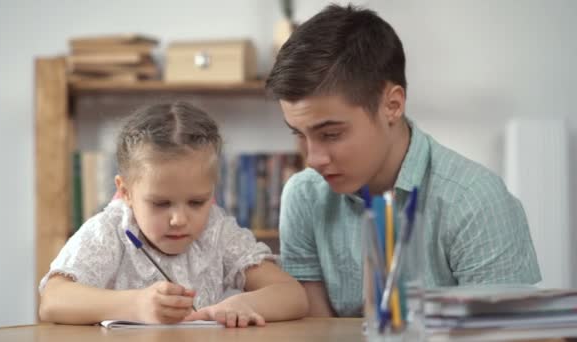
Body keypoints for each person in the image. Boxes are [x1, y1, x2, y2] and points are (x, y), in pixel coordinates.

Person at [265, 4, 541, 317]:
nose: (313, 159)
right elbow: (317, 333)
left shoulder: (475, 202)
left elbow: (510, 332)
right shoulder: (304, 196)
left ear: (392, 105)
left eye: (330, 134)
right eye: (299, 134)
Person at [38, 102, 308, 327]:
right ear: (126, 192)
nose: (179, 219)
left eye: (197, 202)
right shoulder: (110, 230)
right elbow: (53, 300)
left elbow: (293, 295)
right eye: (160, 203)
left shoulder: (217, 231)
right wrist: (135, 305)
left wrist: (244, 303)